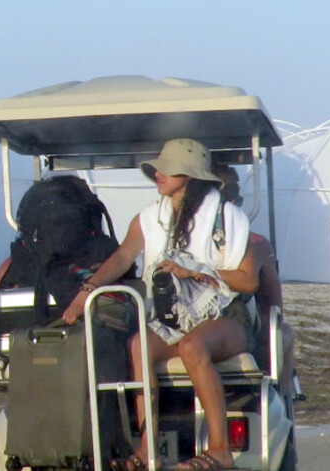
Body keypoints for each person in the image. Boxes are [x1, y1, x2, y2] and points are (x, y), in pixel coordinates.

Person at [62, 138, 258, 471]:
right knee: (139, 346)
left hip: (225, 315)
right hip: (174, 315)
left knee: (193, 346)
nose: (158, 174)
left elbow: (248, 281)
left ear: (191, 175)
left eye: (168, 169)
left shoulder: (227, 219)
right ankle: (148, 447)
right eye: (158, 168)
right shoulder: (149, 219)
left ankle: (220, 450)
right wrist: (88, 291)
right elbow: (124, 256)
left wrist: (195, 271)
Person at [211, 164, 296, 398]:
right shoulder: (256, 244)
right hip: (236, 331)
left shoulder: (175, 235)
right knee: (285, 333)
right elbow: (274, 306)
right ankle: (282, 397)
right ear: (235, 201)